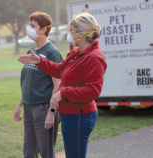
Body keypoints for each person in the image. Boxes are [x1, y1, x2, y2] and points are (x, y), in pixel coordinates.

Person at [17, 12, 107, 158]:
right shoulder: (76, 53)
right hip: (69, 114)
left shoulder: (94, 57)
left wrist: (63, 93)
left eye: (72, 30)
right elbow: (59, 70)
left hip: (80, 115)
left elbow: (93, 91)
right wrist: (40, 61)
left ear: (82, 33)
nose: (69, 33)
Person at [13, 11, 62, 158]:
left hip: (44, 107)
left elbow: (58, 84)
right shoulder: (31, 51)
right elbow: (29, 81)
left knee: (46, 153)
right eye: (29, 25)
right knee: (29, 152)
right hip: (29, 107)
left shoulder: (52, 53)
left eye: (32, 26)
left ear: (43, 30)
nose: (29, 29)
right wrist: (20, 104)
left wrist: (51, 112)